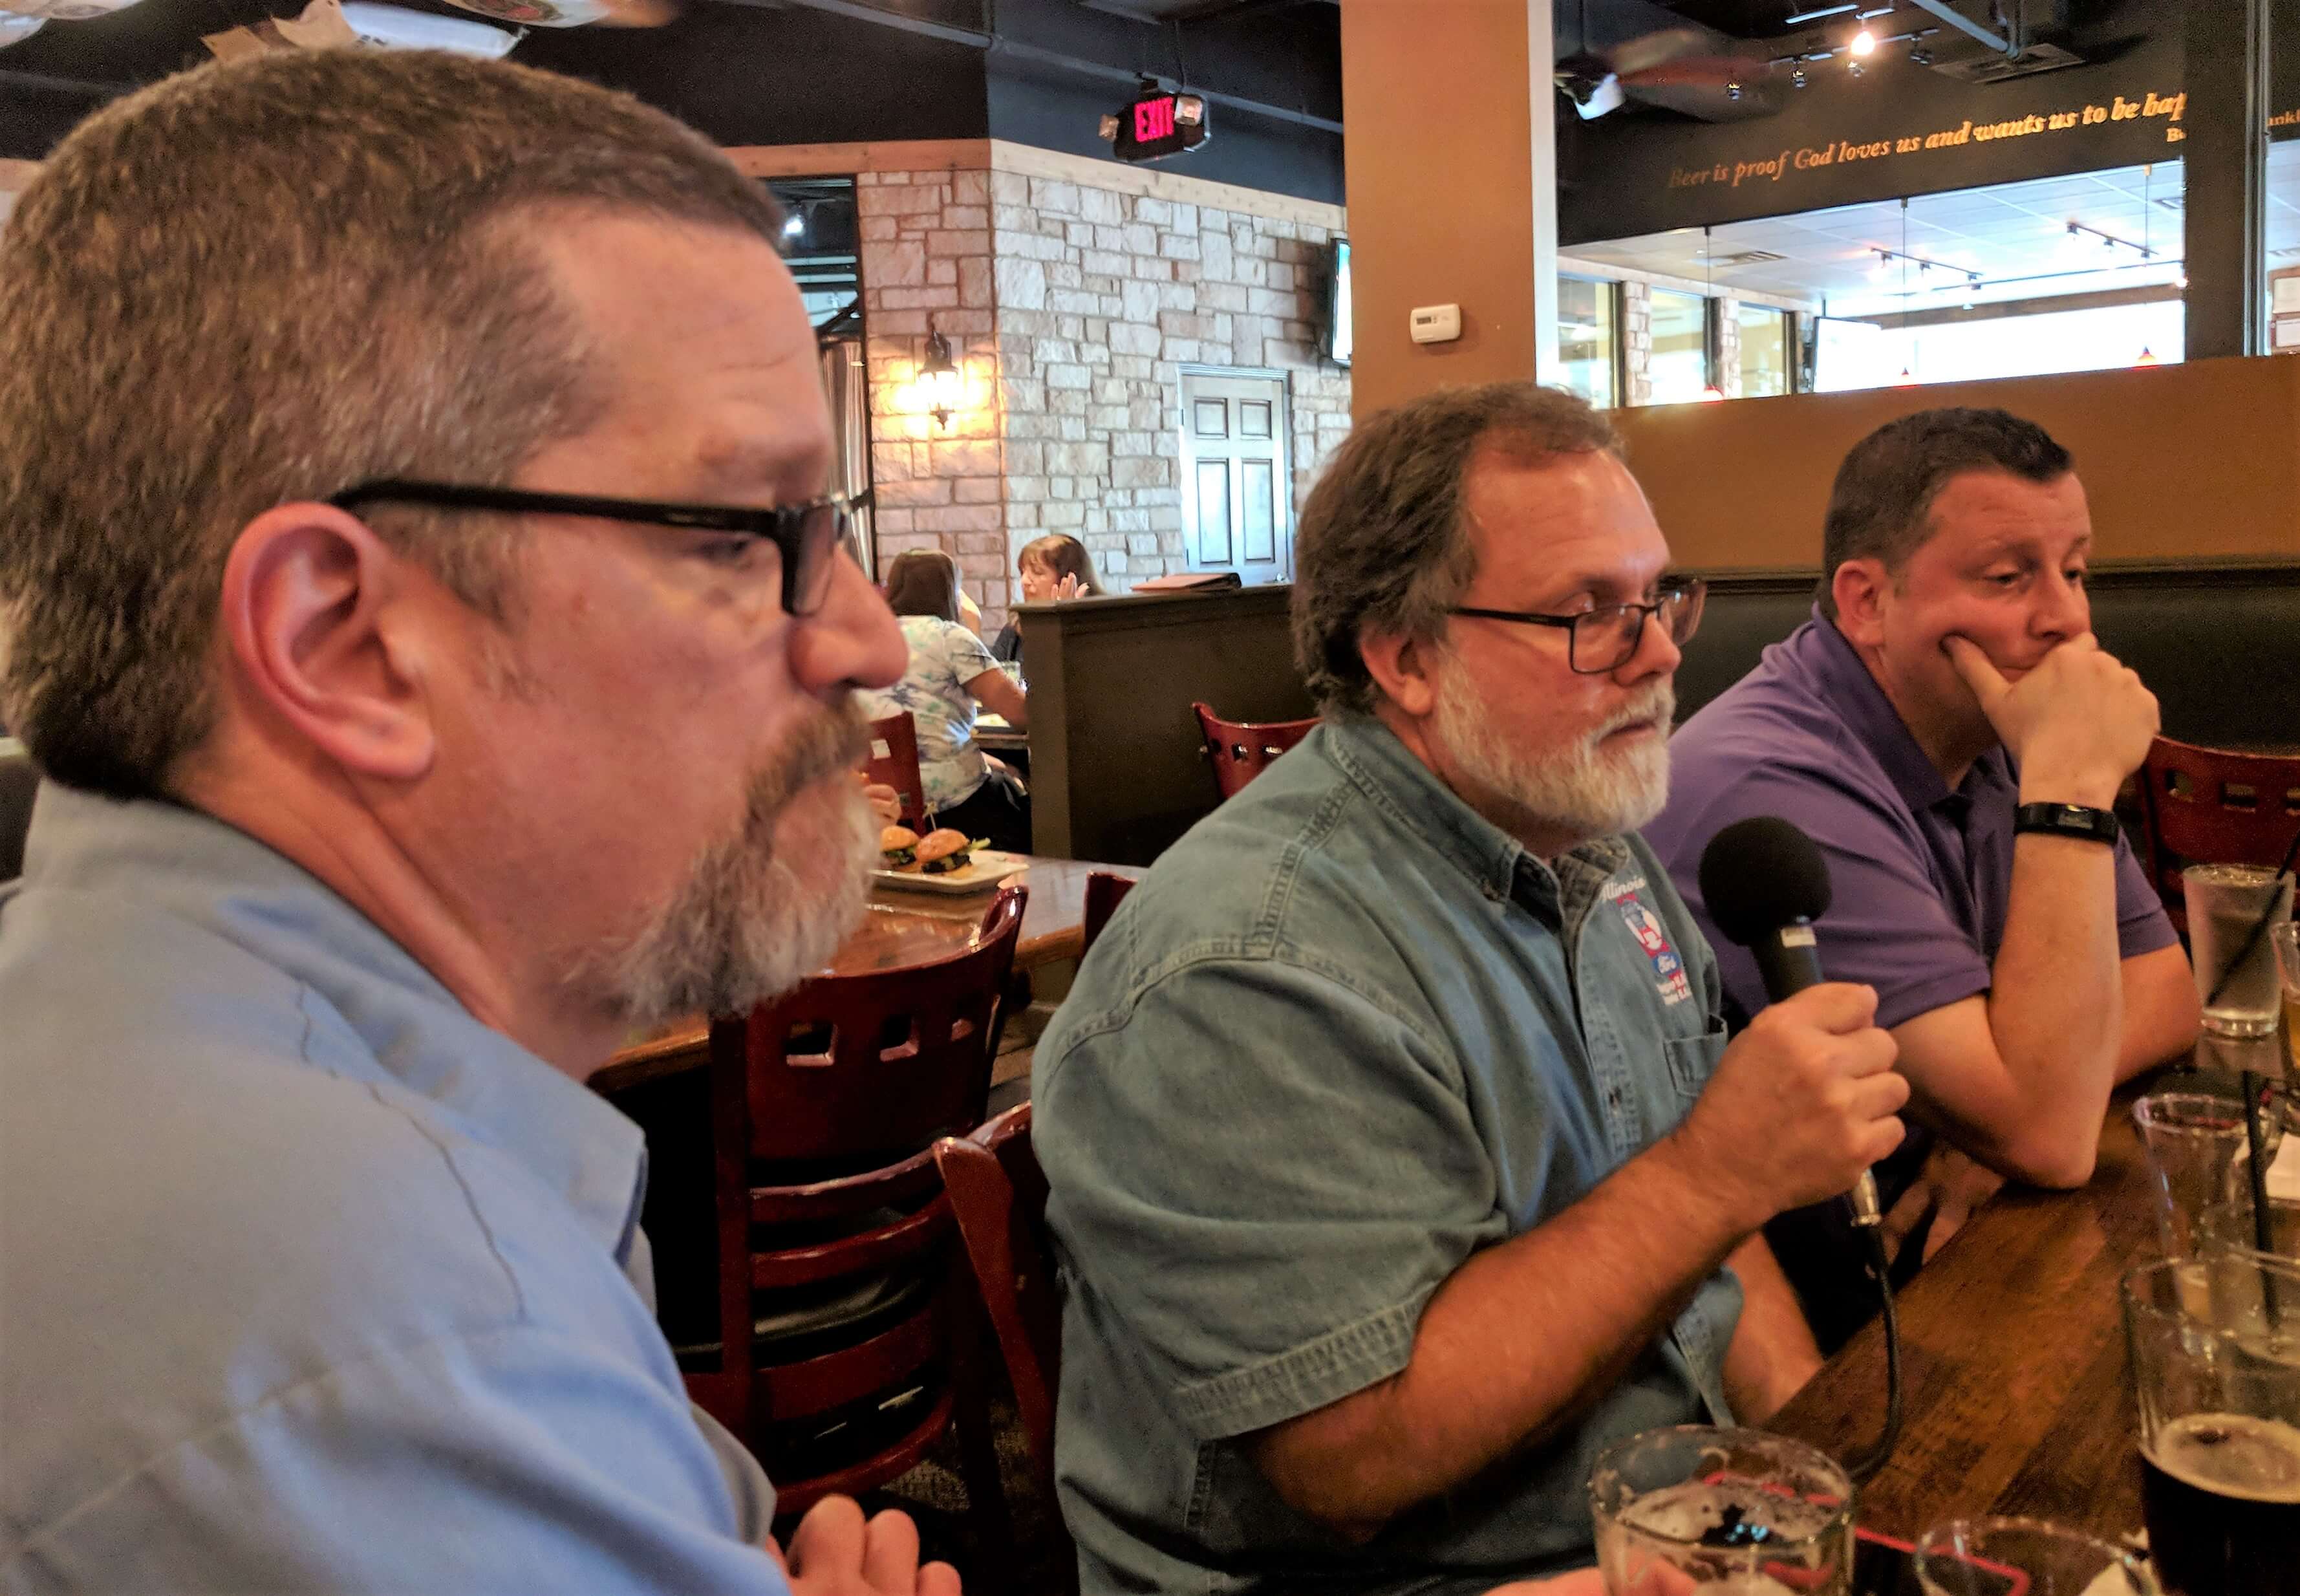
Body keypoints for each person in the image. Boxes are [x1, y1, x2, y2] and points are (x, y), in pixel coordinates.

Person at [0, 50, 958, 1596]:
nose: (865, 640)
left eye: (830, 526)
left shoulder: (106, 1024)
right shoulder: (395, 1325)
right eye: (742, 534)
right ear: (342, 644)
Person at [1031, 381, 1908, 1595]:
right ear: (1404, 658)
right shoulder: (1249, 962)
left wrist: (1811, 1471)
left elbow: (1713, 1225)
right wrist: (1718, 1170)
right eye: (1588, 613)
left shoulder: (1594, 846)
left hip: (1675, 1524)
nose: (1661, 650)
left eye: (1658, 596)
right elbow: (1354, 1455)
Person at [1646, 407, 2198, 1350]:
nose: (2066, 619)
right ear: (1865, 601)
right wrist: (2071, 787)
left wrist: (1996, 1122)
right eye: (2007, 577)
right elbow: (2048, 1137)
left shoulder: (2008, 725)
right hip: (1838, 1321)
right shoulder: (1767, 781)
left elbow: (2166, 992)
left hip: (1965, 1244)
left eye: (2073, 571)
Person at [863, 549, 1031, 852]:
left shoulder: (865, 639)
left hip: (881, 807)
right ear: (951, 592)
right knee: (1021, 803)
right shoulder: (949, 637)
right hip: (952, 807)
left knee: (1000, 772)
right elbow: (1023, 713)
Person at [988, 532, 1101, 667]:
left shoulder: (1098, 629)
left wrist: (1064, 623)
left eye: (1037, 572)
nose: (1024, 581)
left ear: (1068, 579)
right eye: (1022, 572)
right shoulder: (1015, 628)